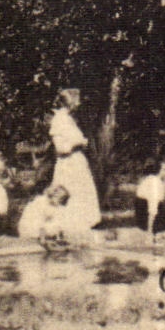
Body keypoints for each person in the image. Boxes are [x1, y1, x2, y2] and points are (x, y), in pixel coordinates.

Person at [45, 89, 101, 230]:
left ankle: (81, 225)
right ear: (69, 102)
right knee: (68, 192)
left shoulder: (70, 119)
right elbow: (61, 148)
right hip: (68, 163)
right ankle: (68, 225)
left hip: (77, 161)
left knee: (81, 193)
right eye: (77, 100)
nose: (79, 103)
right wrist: (79, 142)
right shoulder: (59, 120)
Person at [17, 185, 76, 249]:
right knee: (53, 222)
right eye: (60, 199)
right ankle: (52, 239)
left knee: (57, 219)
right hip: (29, 229)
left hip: (35, 228)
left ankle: (58, 239)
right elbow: (40, 223)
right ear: (54, 195)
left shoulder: (49, 203)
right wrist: (43, 240)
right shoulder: (42, 202)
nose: (60, 202)